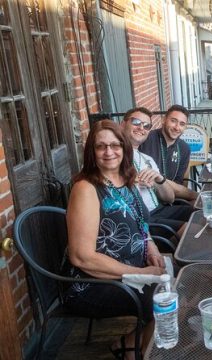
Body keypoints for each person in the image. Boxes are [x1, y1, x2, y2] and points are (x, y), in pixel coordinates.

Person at [63, 120, 165, 359]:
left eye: (115, 145)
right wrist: (141, 273)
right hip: (93, 284)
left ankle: (132, 343)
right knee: (166, 298)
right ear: (92, 152)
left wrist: (151, 245)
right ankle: (130, 348)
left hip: (131, 272)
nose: (109, 152)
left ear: (124, 148)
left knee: (180, 281)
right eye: (101, 147)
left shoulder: (125, 178)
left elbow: (139, 222)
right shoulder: (86, 188)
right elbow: (81, 257)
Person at [121, 107, 193, 236]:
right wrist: (131, 180)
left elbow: (170, 197)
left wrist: (159, 179)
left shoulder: (147, 159)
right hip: (140, 218)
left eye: (146, 126)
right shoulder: (116, 155)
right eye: (136, 122)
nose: (141, 128)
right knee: (192, 230)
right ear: (123, 124)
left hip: (160, 208)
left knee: (199, 214)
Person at [139, 104, 197, 202]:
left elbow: (179, 184)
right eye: (173, 121)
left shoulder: (184, 148)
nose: (177, 127)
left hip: (171, 199)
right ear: (163, 120)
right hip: (147, 198)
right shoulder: (146, 139)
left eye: (182, 124)